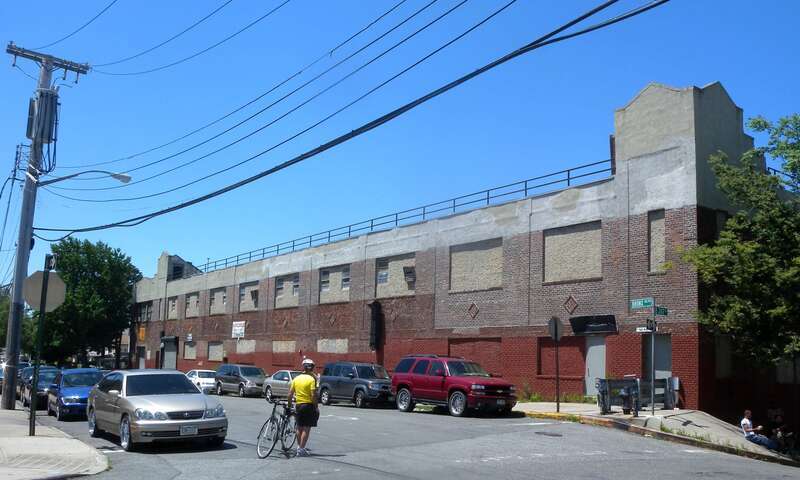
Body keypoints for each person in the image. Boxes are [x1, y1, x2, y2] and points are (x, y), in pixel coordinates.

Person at [288, 358, 320, 457]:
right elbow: (313, 395)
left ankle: (299, 447)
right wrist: (316, 406)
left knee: (299, 427)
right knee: (306, 428)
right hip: (308, 405)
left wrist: (289, 405)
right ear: (311, 368)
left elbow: (290, 394)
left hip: (298, 405)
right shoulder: (311, 379)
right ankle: (301, 449)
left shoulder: (296, 379)